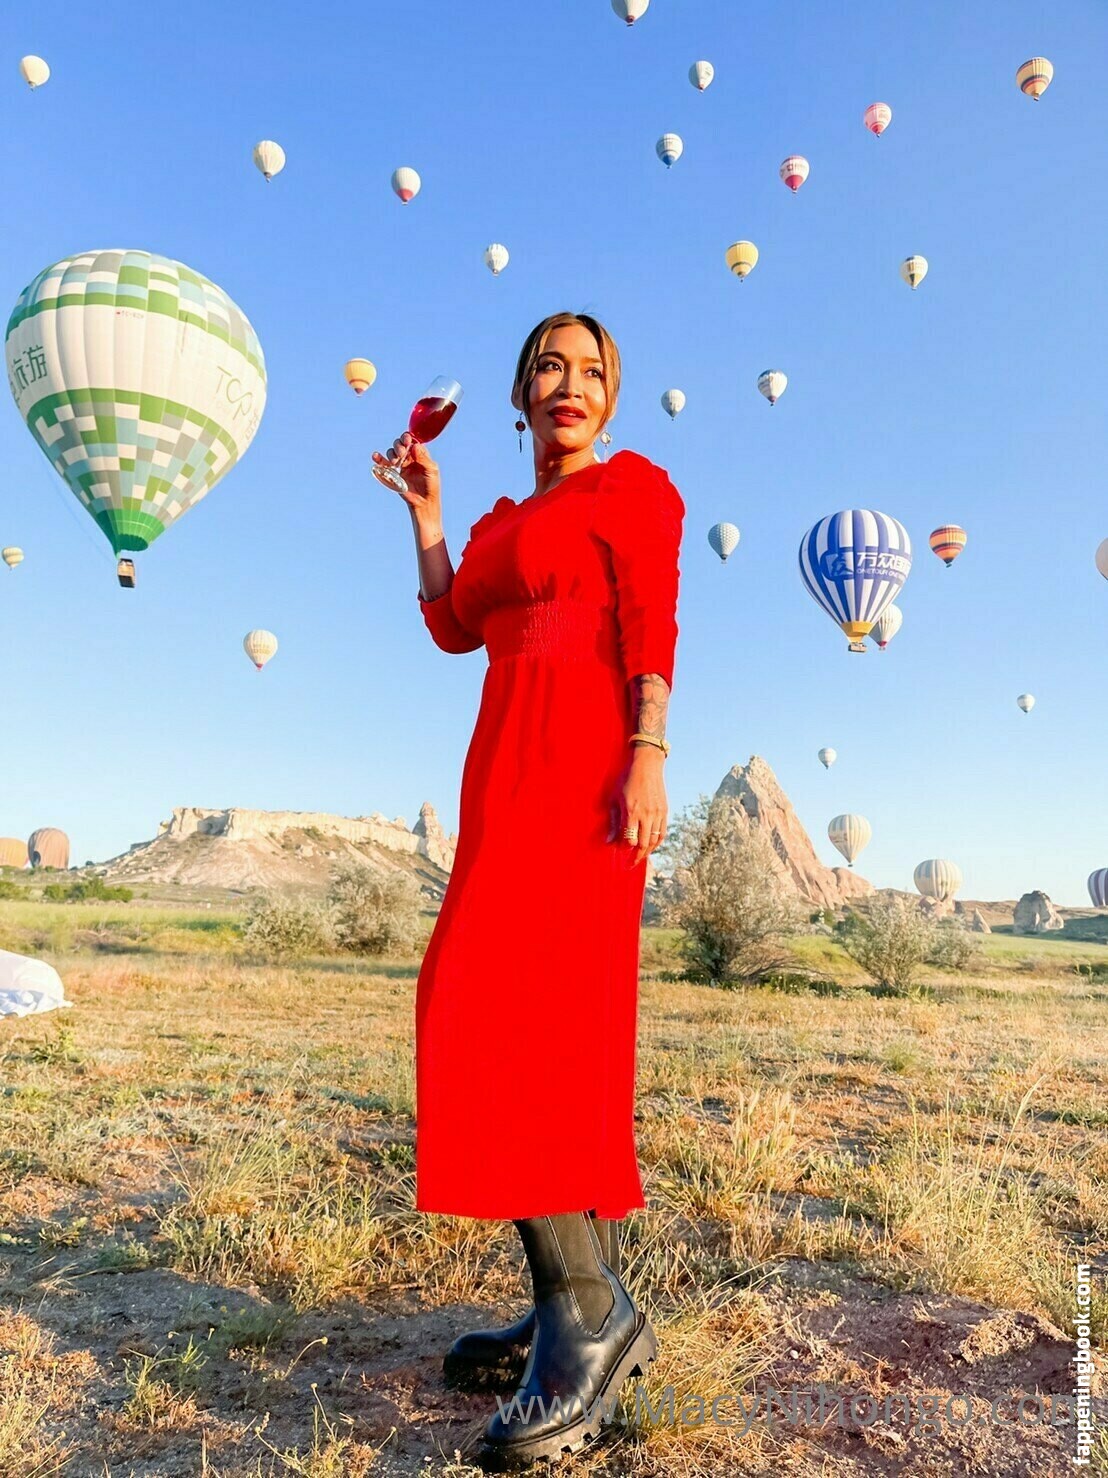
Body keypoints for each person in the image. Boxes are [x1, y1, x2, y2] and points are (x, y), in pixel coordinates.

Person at [374, 312, 685, 1467]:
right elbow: (454, 625)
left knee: (520, 1022)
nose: (570, 382)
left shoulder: (632, 489)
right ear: (518, 393)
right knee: (495, 1012)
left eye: (592, 369)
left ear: (612, 397)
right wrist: (427, 517)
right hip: (505, 774)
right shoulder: (504, 523)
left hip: (586, 772)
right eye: (549, 365)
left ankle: (585, 1310)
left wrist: (648, 750)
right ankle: (568, 1285)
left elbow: (651, 620)